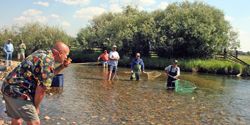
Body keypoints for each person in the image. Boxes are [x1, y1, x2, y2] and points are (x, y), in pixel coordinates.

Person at [1, 41, 71, 125]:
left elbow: (46, 75)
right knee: (35, 122)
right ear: (58, 53)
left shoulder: (42, 52)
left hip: (7, 86)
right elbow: (41, 89)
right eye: (66, 54)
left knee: (17, 119)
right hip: (18, 91)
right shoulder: (48, 62)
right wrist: (36, 107)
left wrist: (62, 66)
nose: (66, 57)